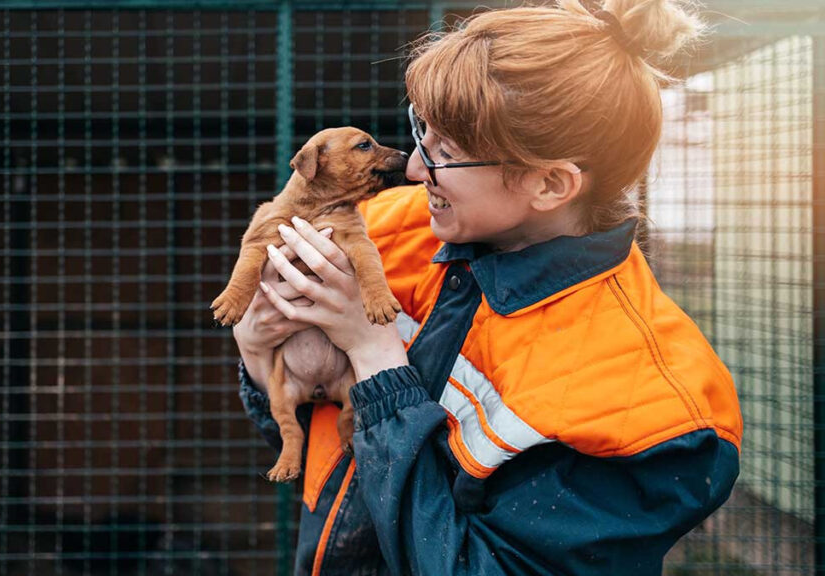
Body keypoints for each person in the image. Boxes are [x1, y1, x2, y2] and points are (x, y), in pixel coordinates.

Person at [232, 0, 743, 574]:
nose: (415, 170)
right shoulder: (388, 231)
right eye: (420, 133)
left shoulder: (654, 409)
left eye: (446, 154)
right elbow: (327, 437)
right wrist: (257, 356)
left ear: (550, 183)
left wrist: (375, 358)